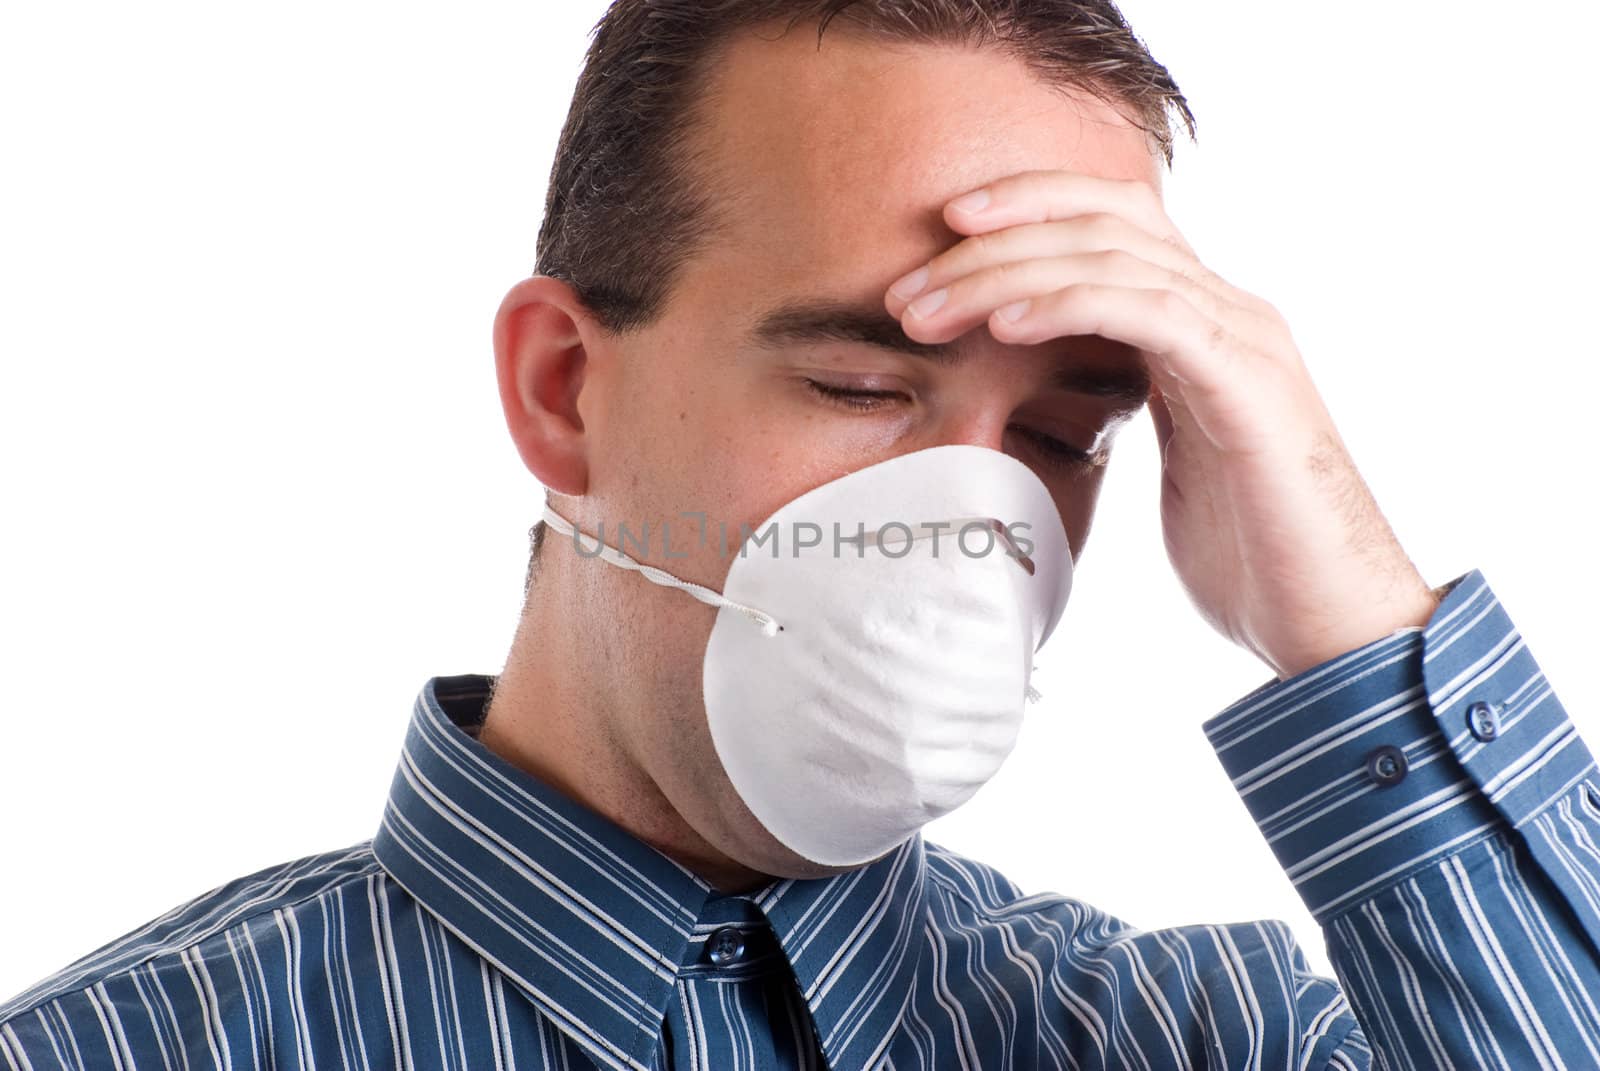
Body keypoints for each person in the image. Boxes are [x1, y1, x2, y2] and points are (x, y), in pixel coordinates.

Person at [5, 1, 1598, 1068]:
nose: (976, 523)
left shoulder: (1194, 1034)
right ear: (567, 394)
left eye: (1062, 432)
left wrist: (1360, 629)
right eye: (860, 383)